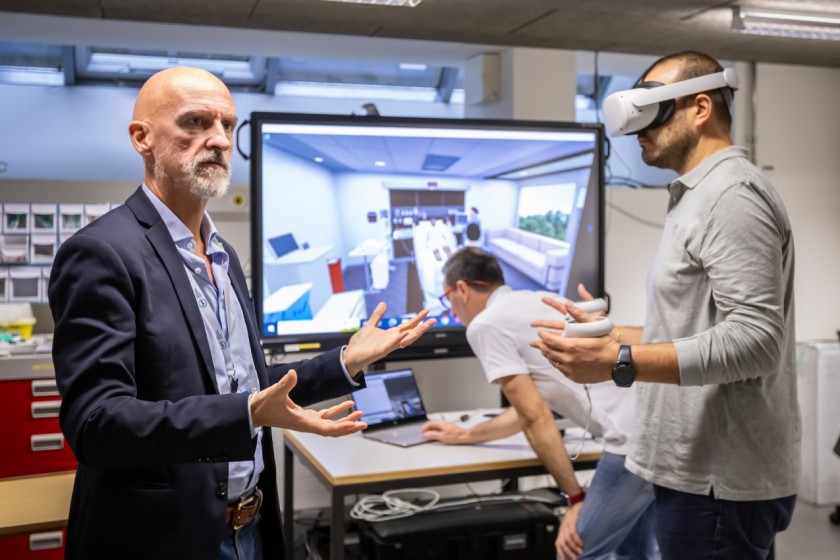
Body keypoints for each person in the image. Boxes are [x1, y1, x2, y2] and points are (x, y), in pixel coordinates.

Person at [47, 66, 434, 560]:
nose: (219, 140)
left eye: (227, 126)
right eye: (195, 123)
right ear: (141, 138)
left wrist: (346, 361)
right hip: (162, 538)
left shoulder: (222, 253)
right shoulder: (102, 253)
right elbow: (98, 425)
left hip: (249, 527)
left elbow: (247, 382)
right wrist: (246, 412)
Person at [532, 51, 799, 560]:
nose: (637, 132)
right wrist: (617, 337)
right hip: (692, 472)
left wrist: (620, 363)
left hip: (719, 481)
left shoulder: (731, 196)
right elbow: (700, 323)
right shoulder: (696, 196)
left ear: (701, 108)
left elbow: (757, 342)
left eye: (652, 112)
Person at [421, 247, 656, 560]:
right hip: (659, 426)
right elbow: (527, 411)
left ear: (461, 289)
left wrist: (573, 498)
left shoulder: (484, 325)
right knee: (634, 553)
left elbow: (536, 417)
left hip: (631, 441)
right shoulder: (535, 300)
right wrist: (464, 434)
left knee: (575, 551)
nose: (452, 311)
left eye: (446, 298)